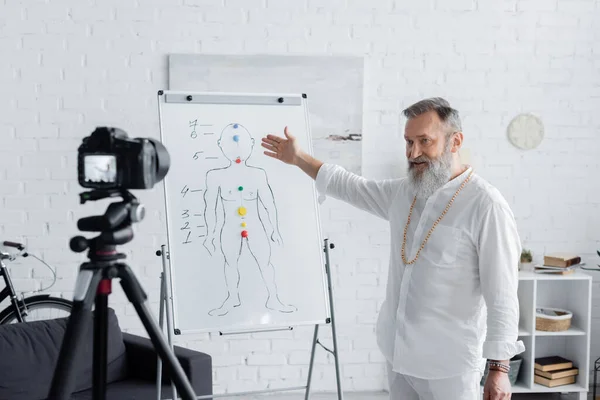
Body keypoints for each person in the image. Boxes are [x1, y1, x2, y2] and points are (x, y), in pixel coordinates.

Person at [261, 97, 524, 400]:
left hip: (450, 366)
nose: (414, 153)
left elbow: (502, 295)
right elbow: (350, 185)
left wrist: (499, 369)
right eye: (409, 142)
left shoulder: (486, 205)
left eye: (425, 141)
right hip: (398, 354)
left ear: (455, 141)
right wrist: (299, 159)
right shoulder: (405, 192)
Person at [203, 122, 297, 316]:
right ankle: (232, 298)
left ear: (251, 144)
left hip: (256, 227)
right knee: (230, 263)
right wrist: (210, 233)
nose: (237, 150)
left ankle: (274, 299)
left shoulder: (258, 174)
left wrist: (274, 229)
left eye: (242, 144)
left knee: (265, 262)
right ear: (221, 145)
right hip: (229, 228)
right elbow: (210, 207)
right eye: (231, 145)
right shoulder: (215, 176)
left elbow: (268, 203)